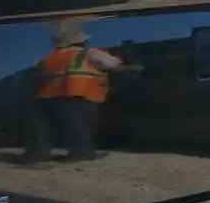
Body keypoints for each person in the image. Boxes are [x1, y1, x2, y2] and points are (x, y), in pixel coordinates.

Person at [26, 21, 139, 161]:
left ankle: (39, 153)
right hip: (78, 93)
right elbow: (112, 65)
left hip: (48, 96)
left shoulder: (50, 57)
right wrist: (133, 67)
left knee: (50, 127)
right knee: (81, 125)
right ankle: (81, 152)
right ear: (81, 41)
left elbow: (37, 76)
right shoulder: (90, 52)